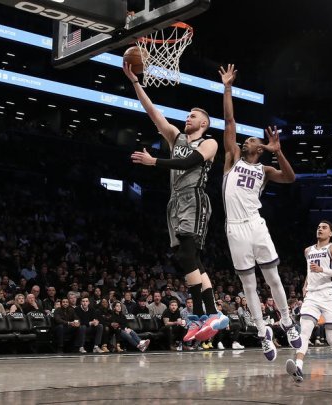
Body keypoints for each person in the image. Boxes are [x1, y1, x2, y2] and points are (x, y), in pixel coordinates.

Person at [125, 62, 228, 341]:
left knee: (186, 256)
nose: (188, 117)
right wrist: (136, 82)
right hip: (175, 202)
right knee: (191, 259)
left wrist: (153, 161)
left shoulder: (209, 143)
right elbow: (153, 112)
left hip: (194, 198)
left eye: (192, 115)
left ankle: (201, 317)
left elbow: (189, 161)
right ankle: (213, 315)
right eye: (188, 114)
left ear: (203, 123)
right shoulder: (175, 136)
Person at [219, 64, 300, 361]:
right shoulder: (232, 159)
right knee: (248, 284)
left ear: (260, 148)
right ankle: (262, 331)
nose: (247, 140)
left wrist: (278, 151)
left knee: (273, 278)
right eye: (248, 139)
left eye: (252, 140)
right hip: (234, 226)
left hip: (255, 223)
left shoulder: (265, 169)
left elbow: (290, 178)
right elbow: (229, 120)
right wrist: (227, 86)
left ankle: (287, 322)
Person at [285, 221, 332, 383]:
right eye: (318, 227)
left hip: (329, 295)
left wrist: (322, 269)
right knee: (305, 332)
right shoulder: (307, 250)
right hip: (312, 296)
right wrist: (305, 285)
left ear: (330, 233)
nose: (320, 229)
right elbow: (309, 270)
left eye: (324, 227)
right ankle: (299, 367)